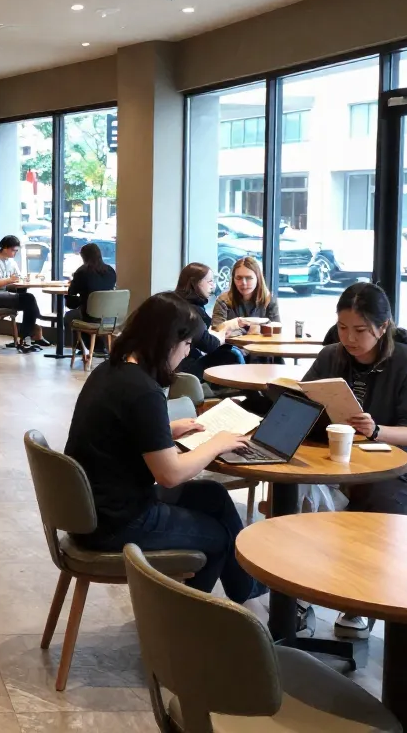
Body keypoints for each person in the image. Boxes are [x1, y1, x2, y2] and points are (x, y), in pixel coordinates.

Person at [64, 292, 265, 604]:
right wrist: (217, 443)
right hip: (119, 522)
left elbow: (116, 431)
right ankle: (177, 626)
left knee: (213, 496)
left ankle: (246, 590)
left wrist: (166, 430)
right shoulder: (143, 391)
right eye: (187, 345)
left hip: (93, 509)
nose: (187, 354)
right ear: (170, 341)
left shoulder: (110, 370)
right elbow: (170, 475)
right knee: (217, 535)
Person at [301, 282, 407, 638]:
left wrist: (376, 430)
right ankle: (298, 593)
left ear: (384, 324)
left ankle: (360, 599)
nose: (349, 338)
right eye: (343, 328)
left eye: (360, 330)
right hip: (335, 458)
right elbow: (303, 399)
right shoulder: (332, 356)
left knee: (379, 507)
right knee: (296, 493)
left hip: (397, 467)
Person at [174, 262, 245, 378]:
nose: (213, 286)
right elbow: (209, 344)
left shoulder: (176, 302)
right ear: (195, 283)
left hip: (172, 364)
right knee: (232, 354)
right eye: (210, 281)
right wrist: (222, 336)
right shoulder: (192, 310)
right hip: (182, 367)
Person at [0, 235, 50, 352]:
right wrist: (9, 280)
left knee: (28, 300)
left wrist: (23, 279)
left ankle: (26, 337)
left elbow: (17, 277)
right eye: (14, 250)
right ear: (5, 248)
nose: (15, 253)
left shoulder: (11, 262)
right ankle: (31, 334)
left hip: (4, 294)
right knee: (29, 299)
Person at [211, 256, 280, 335]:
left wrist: (234, 329)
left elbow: (276, 330)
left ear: (258, 278)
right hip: (230, 346)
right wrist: (251, 330)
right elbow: (216, 330)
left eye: (249, 278)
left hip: (260, 346)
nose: (243, 283)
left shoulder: (268, 300)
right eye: (239, 278)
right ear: (233, 279)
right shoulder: (223, 300)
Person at [66, 242, 117, 323]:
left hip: (89, 317)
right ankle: (98, 335)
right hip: (109, 317)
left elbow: (71, 301)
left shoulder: (82, 272)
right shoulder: (110, 271)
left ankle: (81, 336)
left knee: (69, 316)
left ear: (83, 257)